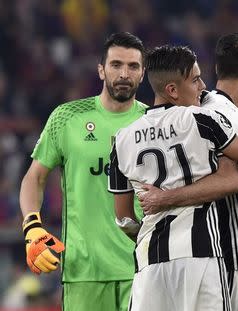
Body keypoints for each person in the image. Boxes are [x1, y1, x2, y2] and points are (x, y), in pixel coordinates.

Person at [108, 45, 238, 311]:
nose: (203, 86)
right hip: (202, 256)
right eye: (196, 79)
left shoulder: (121, 140)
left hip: (149, 263)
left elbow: (124, 219)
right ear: (173, 90)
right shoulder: (202, 119)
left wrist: (153, 225)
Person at [19, 32, 148, 311]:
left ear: (143, 73)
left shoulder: (153, 121)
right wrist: (32, 226)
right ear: (101, 70)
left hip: (143, 269)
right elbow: (34, 177)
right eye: (116, 65)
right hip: (84, 272)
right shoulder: (67, 117)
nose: (124, 73)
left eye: (133, 66)